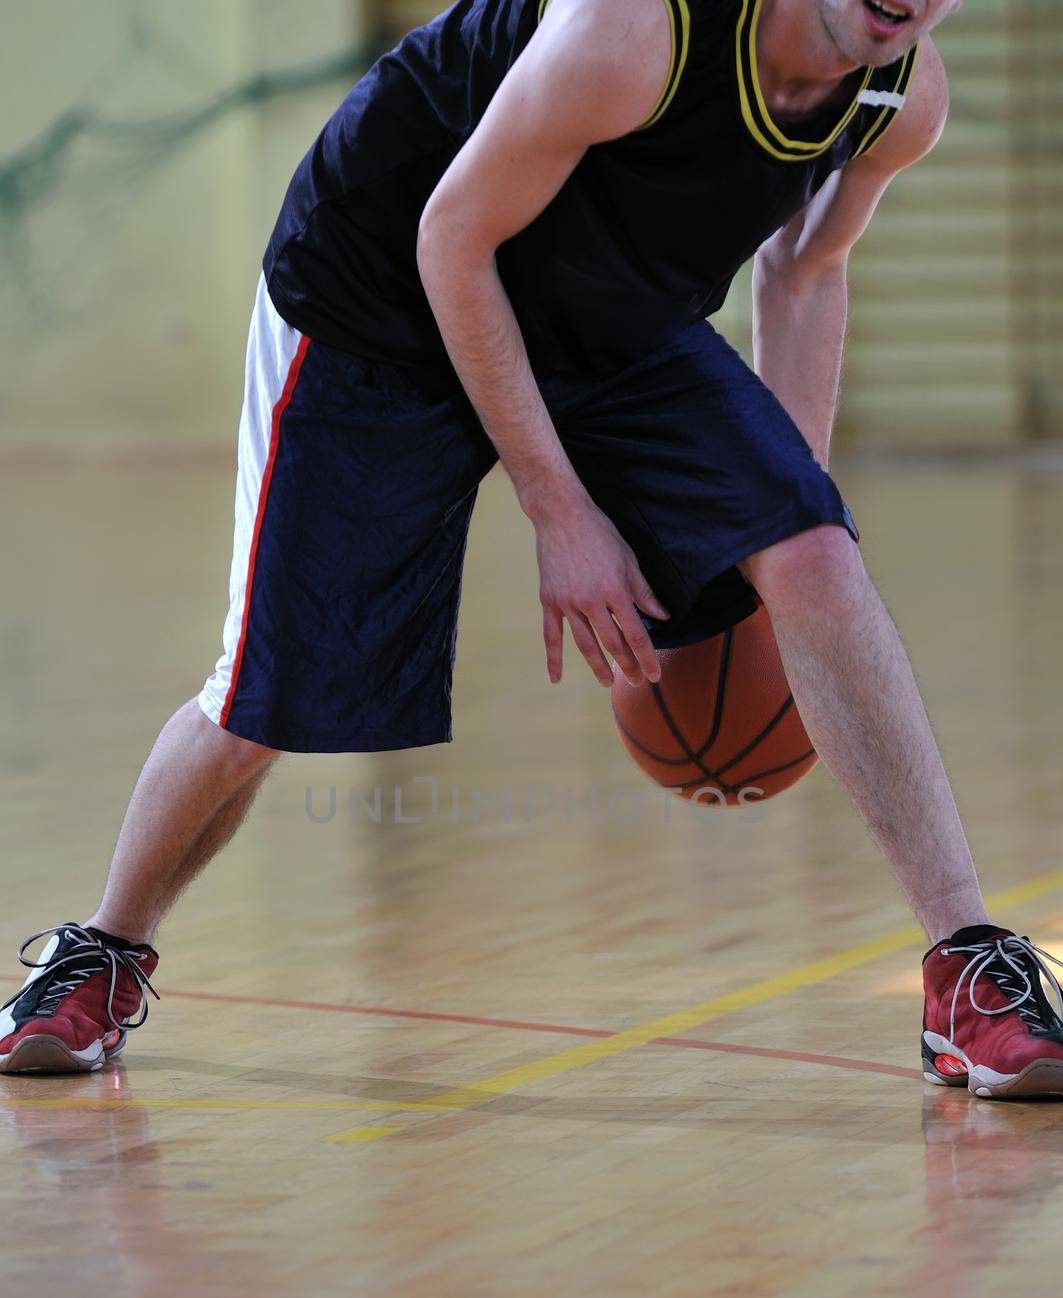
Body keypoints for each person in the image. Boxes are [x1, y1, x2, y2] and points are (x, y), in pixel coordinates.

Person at [4, 0, 1062, 1099]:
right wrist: (561, 514)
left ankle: (966, 970)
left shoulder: (898, 93)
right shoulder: (635, 26)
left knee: (816, 551)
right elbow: (451, 237)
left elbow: (803, 270)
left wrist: (787, 524)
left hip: (608, 314)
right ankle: (102, 950)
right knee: (270, 698)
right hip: (384, 296)